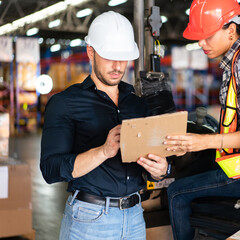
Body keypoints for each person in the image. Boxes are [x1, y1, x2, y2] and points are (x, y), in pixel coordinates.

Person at [40, 11, 169, 240]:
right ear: (91, 52)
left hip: (135, 217)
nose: (118, 65)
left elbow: (153, 165)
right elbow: (50, 170)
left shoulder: (138, 106)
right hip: (90, 220)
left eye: (123, 57)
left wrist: (160, 171)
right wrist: (103, 151)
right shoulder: (65, 103)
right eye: (110, 56)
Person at [164, 0, 240, 239]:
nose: (200, 43)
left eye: (207, 36)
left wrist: (202, 142)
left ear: (230, 30)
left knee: (176, 191)